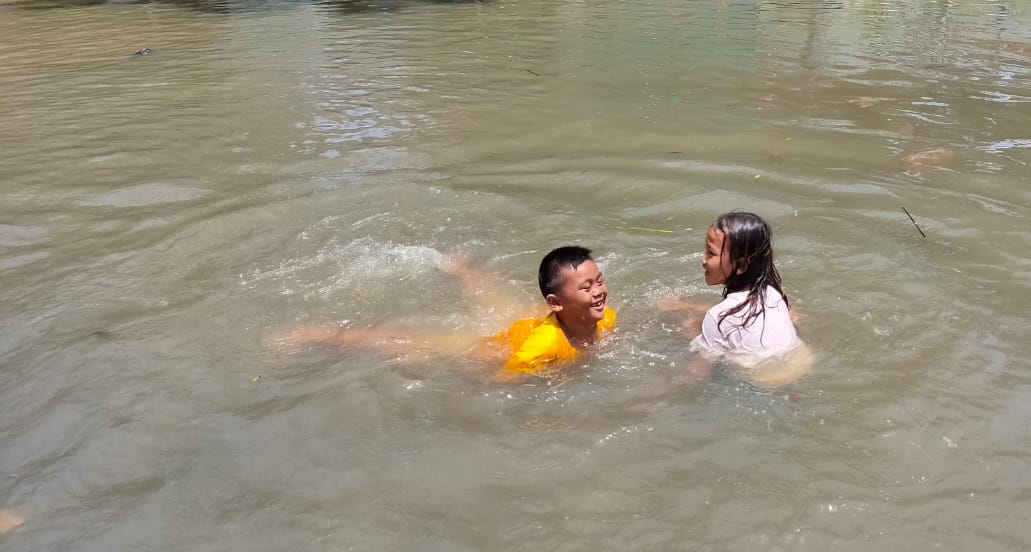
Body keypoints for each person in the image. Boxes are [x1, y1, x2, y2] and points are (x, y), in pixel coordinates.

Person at [287, 246, 615, 377]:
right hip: (499, 346)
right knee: (412, 344)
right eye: (586, 288)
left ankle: (460, 270)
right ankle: (312, 334)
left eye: (598, 282)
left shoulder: (606, 317)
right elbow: (500, 384)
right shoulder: (539, 349)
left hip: (530, 325)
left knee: (498, 299)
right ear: (556, 303)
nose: (599, 292)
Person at [663, 212, 808, 382]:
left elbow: (697, 372)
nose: (702, 259)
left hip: (761, 381)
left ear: (741, 266)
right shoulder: (774, 291)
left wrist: (690, 336)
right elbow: (791, 320)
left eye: (711, 253)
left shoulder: (716, 317)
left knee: (691, 328)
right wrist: (686, 307)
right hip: (801, 362)